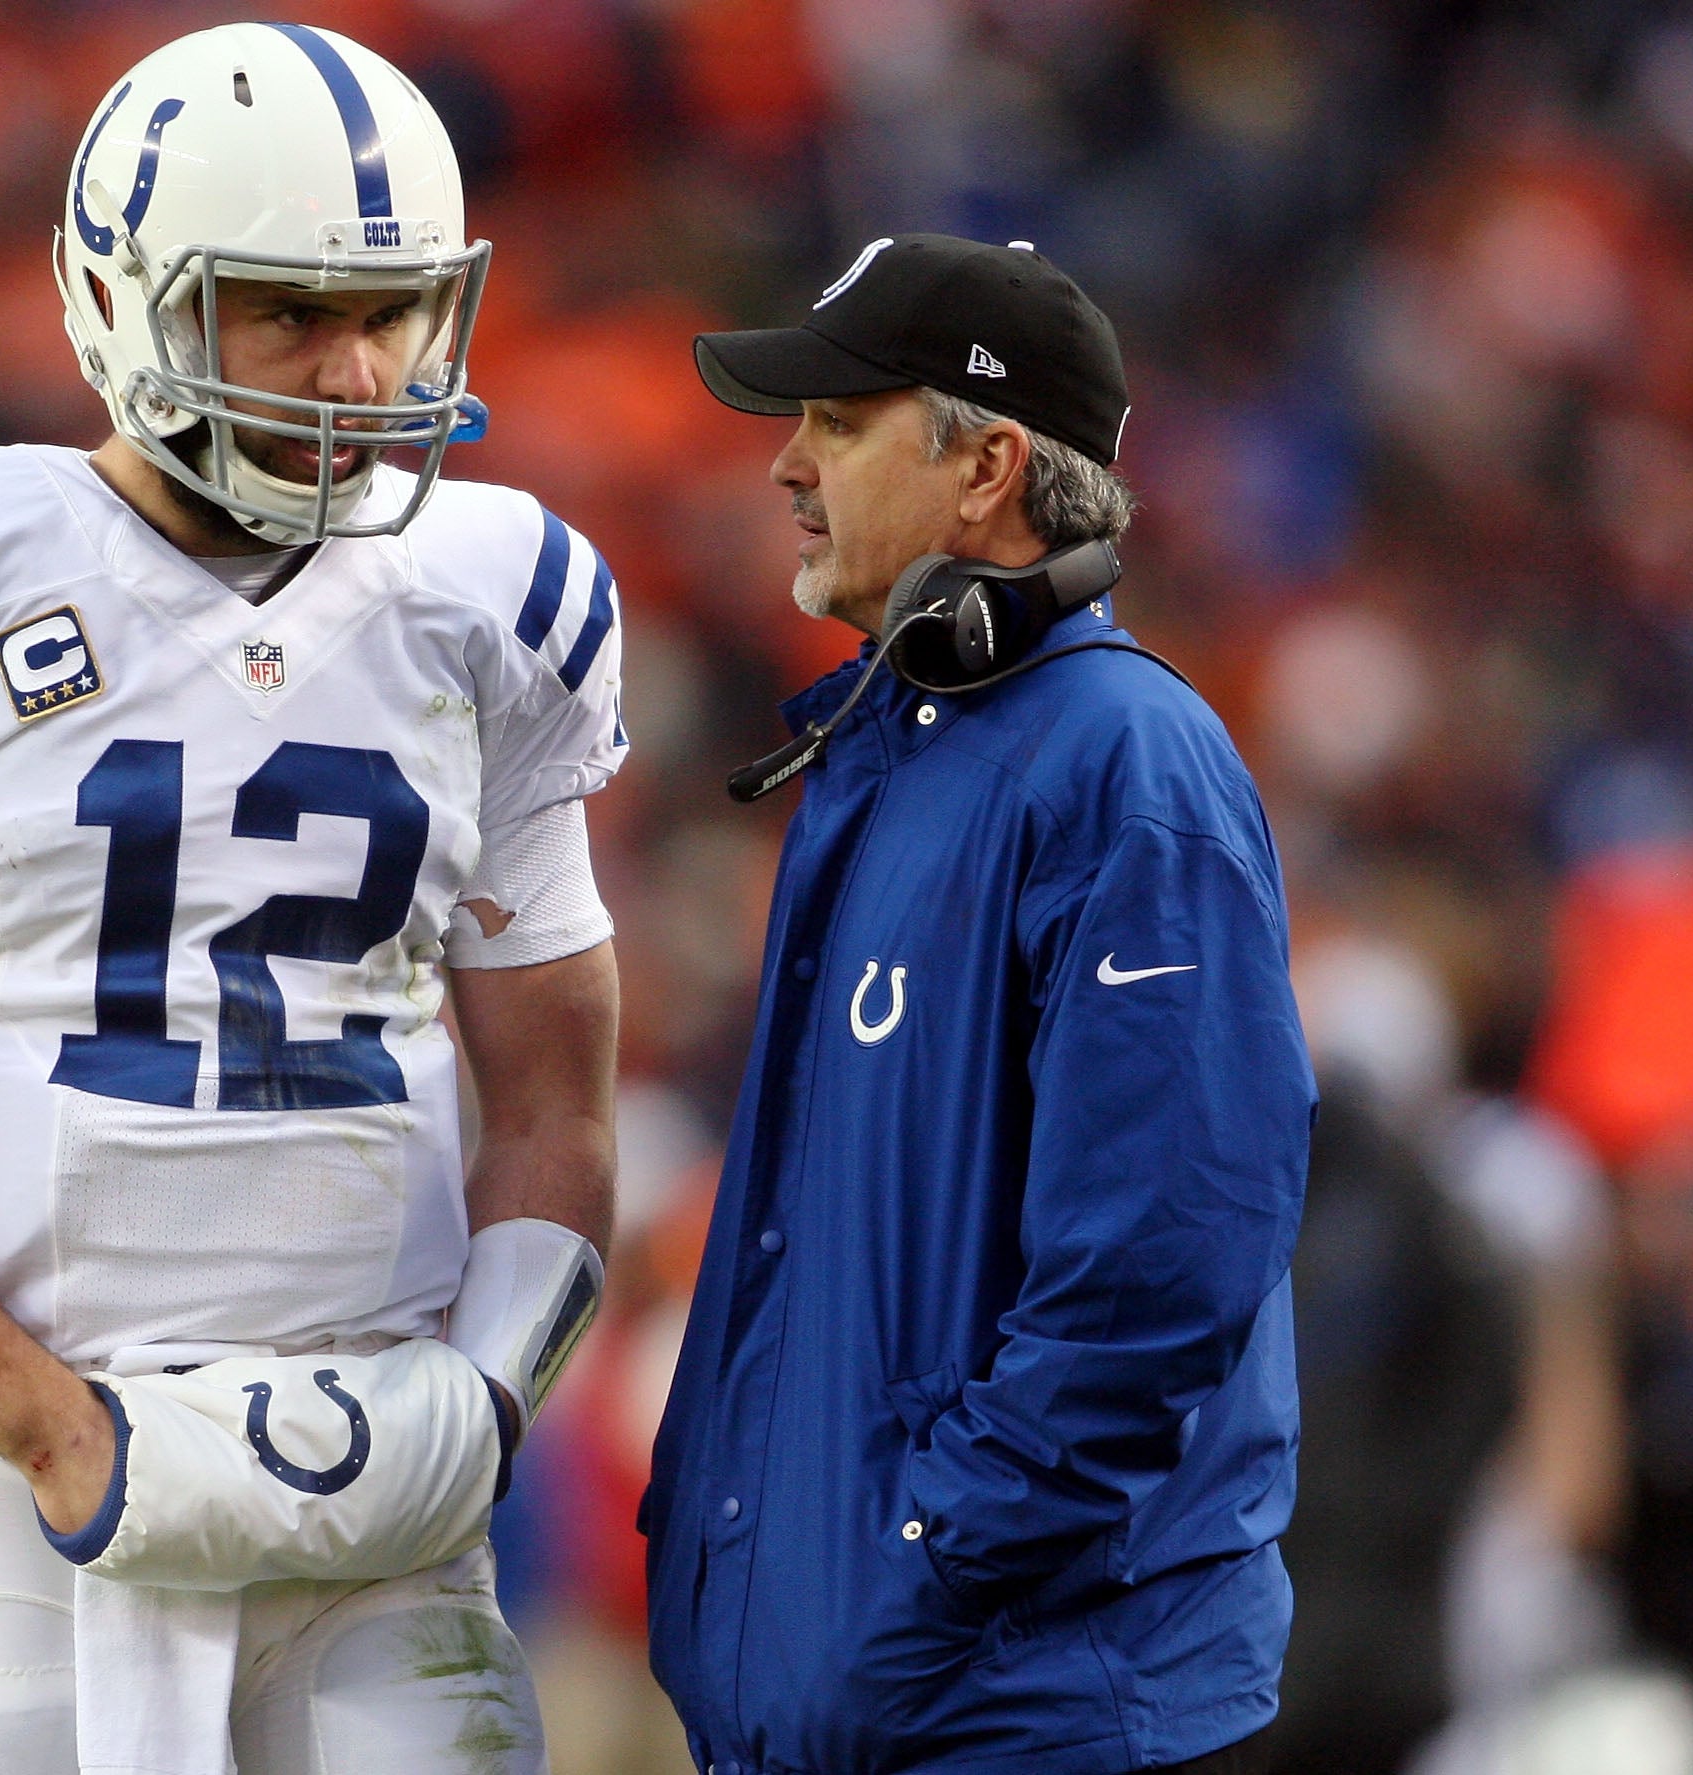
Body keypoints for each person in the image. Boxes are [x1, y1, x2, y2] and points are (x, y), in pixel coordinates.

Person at [0, 23, 623, 1775]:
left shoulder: (498, 599)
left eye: (392, 311)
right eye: (287, 312)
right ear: (124, 303)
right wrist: (50, 1429)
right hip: (33, 1476)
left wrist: (486, 1402)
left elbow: (558, 1098)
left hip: (382, 1457)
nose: (356, 375)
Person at [644, 234, 1316, 1774]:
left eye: (839, 419)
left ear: (987, 467)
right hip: (882, 1705)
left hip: (1024, 1715)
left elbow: (1166, 1265)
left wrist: (926, 1563)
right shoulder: (892, 750)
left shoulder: (1125, 764)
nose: (787, 466)